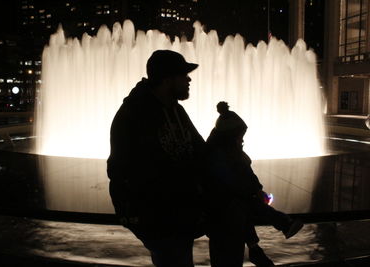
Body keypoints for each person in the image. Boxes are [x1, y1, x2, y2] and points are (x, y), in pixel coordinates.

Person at [107, 50, 205, 267]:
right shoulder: (134, 114)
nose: (189, 79)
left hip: (180, 212)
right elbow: (121, 168)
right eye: (183, 74)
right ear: (168, 78)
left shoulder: (176, 111)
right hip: (158, 215)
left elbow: (200, 150)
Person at [205, 101, 304, 267]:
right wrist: (256, 192)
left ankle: (258, 245)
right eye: (240, 136)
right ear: (230, 136)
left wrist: (257, 190)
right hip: (223, 218)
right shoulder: (221, 157)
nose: (242, 140)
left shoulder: (225, 151)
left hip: (229, 215)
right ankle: (272, 232)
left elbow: (245, 176)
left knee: (245, 208)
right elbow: (238, 181)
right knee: (228, 254)